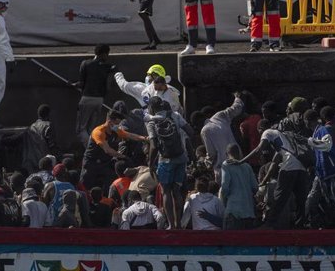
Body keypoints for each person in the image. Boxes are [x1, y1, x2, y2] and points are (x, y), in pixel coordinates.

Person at [240, 119, 308, 229]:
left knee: (278, 196)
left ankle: (269, 224)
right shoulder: (282, 137)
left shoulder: (267, 132)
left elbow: (258, 150)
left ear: (260, 129)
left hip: (289, 166)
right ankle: (300, 225)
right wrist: (263, 181)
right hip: (301, 166)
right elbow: (274, 164)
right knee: (300, 198)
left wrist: (240, 161)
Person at [145, 96, 192, 229]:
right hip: (181, 158)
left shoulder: (151, 123)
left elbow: (153, 146)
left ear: (152, 108)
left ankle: (171, 225)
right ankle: (178, 224)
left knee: (166, 191)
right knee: (176, 190)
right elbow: (190, 131)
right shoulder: (175, 115)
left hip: (165, 160)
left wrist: (150, 164)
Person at [81, 110, 148, 191]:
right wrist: (122, 156)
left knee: (109, 182)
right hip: (91, 163)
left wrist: (145, 138)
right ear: (110, 122)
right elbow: (107, 150)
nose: (118, 126)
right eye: (117, 124)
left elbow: (130, 135)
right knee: (85, 186)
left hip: (104, 163)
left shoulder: (115, 131)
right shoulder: (98, 132)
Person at [74, 44, 116, 143]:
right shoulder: (108, 67)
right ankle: (94, 150)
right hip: (99, 100)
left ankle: (92, 149)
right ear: (103, 54)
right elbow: (108, 86)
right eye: (107, 54)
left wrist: (75, 84)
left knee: (80, 130)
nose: (108, 56)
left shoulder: (85, 64)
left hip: (87, 98)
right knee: (92, 129)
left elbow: (81, 83)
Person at [200, 92, 244, 182]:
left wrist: (205, 163)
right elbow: (236, 108)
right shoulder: (219, 116)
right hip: (239, 160)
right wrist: (237, 98)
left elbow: (211, 154)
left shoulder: (205, 131)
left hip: (222, 169)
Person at [113, 64, 183, 113]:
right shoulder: (172, 91)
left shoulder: (141, 89)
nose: (147, 77)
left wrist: (117, 74)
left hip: (150, 122)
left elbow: (124, 85)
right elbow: (179, 110)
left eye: (149, 75)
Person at [219, 144, 258, 230]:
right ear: (239, 153)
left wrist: (224, 201)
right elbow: (255, 187)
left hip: (233, 211)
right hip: (249, 212)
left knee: (231, 241)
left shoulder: (226, 164)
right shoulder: (247, 166)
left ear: (226, 154)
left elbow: (224, 187)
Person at [19, 104, 60, 174]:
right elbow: (52, 145)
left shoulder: (32, 126)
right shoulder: (48, 125)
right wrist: (58, 158)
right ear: (48, 114)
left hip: (33, 164)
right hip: (46, 163)